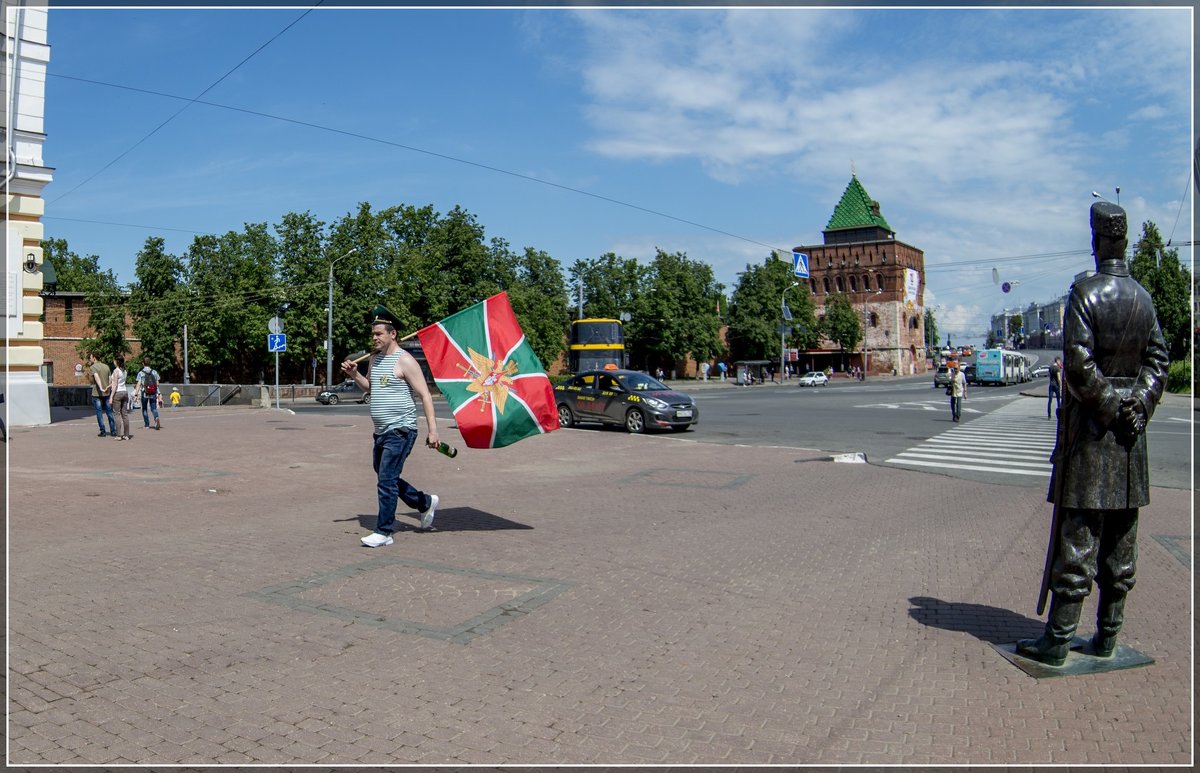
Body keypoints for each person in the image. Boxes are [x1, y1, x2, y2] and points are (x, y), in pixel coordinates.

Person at [1017, 201, 1169, 667]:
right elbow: (1158, 361)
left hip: (1092, 439)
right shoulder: (1143, 297)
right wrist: (1137, 405)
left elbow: (1079, 366)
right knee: (1122, 543)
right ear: (1123, 241)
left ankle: (1060, 640)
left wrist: (1108, 406)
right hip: (1130, 440)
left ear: (1096, 240)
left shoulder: (1085, 294)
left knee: (1078, 539)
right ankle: (1107, 638)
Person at [343, 305, 441, 547]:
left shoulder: (405, 361)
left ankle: (384, 531)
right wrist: (355, 375)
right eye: (373, 334)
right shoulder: (374, 360)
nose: (374, 338)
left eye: (379, 334)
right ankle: (424, 502)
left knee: (386, 480)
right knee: (387, 476)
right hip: (381, 432)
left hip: (401, 430)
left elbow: (425, 395)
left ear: (393, 334)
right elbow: (372, 389)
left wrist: (433, 430)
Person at [88, 352, 116, 437]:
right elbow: (110, 378)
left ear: (94, 358)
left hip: (97, 393)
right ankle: (113, 430)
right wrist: (108, 387)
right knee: (109, 412)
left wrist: (100, 387)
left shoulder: (93, 367)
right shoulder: (106, 366)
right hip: (107, 393)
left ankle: (103, 431)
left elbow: (96, 377)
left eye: (90, 357)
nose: (90, 359)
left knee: (99, 412)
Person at [136, 357, 162, 430]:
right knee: (153, 408)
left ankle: (147, 425)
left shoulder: (141, 373)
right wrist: (158, 393)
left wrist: (136, 394)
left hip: (145, 392)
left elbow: (138, 384)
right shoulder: (154, 372)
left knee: (144, 409)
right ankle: (156, 417)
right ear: (149, 363)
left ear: (143, 363)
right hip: (153, 392)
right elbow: (157, 383)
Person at [110, 354, 132, 441]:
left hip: (118, 393)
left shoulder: (116, 371)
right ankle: (126, 435)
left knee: (116, 414)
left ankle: (119, 435)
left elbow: (115, 384)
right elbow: (119, 382)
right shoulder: (124, 371)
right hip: (125, 392)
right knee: (125, 414)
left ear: (116, 361)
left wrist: (111, 396)